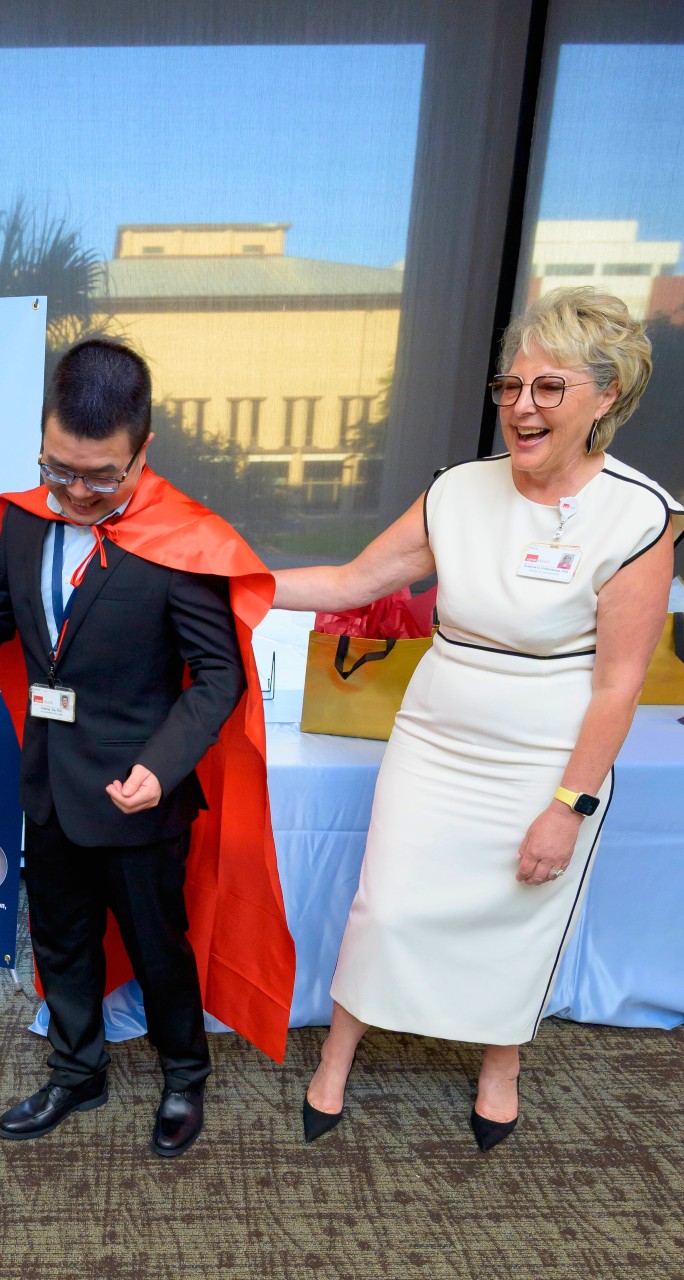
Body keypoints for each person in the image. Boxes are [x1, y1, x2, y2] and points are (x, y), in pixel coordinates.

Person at [273, 288, 683, 1151]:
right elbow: (352, 584)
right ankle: (338, 1054)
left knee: (519, 914)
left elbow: (617, 687)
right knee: (385, 907)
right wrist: (225, 581)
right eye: (511, 387)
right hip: (438, 739)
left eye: (549, 388)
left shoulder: (638, 515)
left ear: (606, 397)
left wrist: (566, 807)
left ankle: (502, 1065)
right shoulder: (457, 492)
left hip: (549, 757)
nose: (521, 407)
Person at [0, 338, 293, 1159]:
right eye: (59, 468)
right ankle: (77, 1071)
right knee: (62, 940)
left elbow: (218, 678)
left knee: (158, 950)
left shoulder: (185, 542)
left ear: (142, 451)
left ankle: (185, 1075)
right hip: (49, 782)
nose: (76, 493)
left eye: (101, 476)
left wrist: (163, 765)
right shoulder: (22, 516)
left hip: (138, 793)